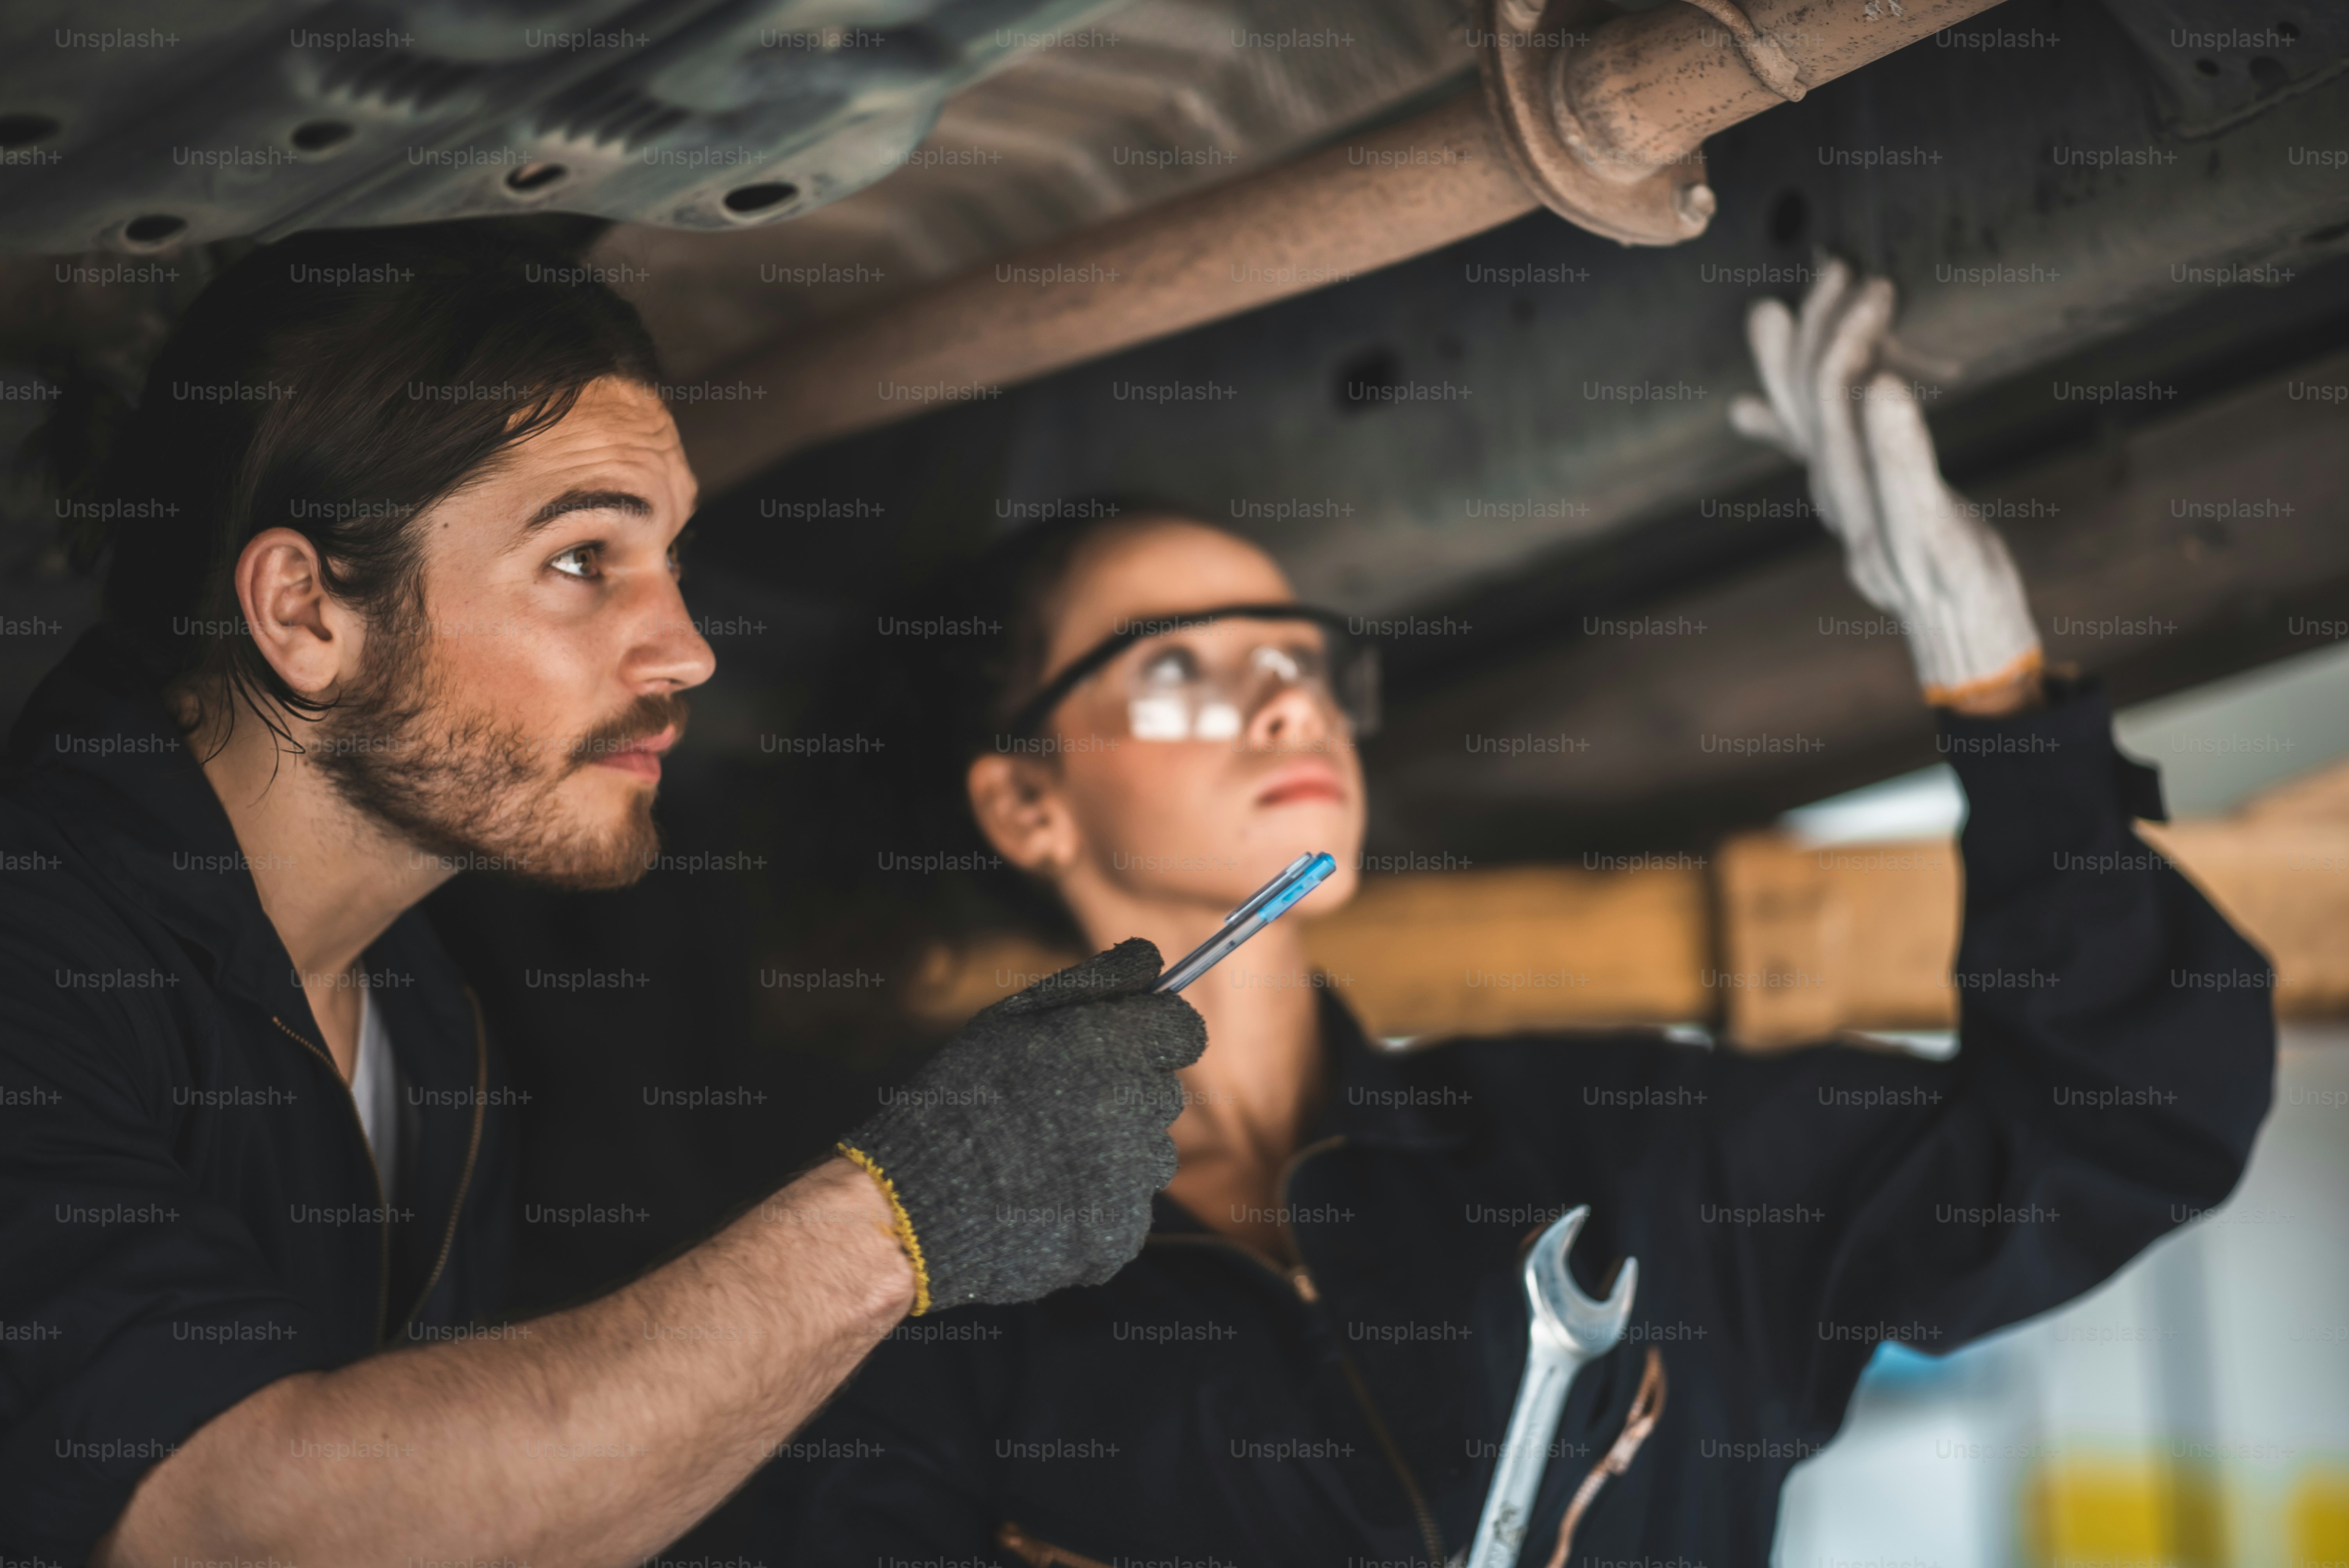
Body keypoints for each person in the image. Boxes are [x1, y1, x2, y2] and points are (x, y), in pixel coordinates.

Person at [750, 264, 2276, 1566]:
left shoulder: (1624, 1151)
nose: (1285, 699)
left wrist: (2002, 701)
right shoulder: (940, 1318)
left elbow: (2118, 1122)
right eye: (1175, 666)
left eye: (1297, 655)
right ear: (1029, 802)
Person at [0, 225, 1205, 1566]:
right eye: (584, 560)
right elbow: (237, 1528)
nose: (687, 651)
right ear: (305, 613)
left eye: (673, 560)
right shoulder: (34, 968)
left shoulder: (423, 1015)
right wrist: (899, 1221)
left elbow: (474, 1511)